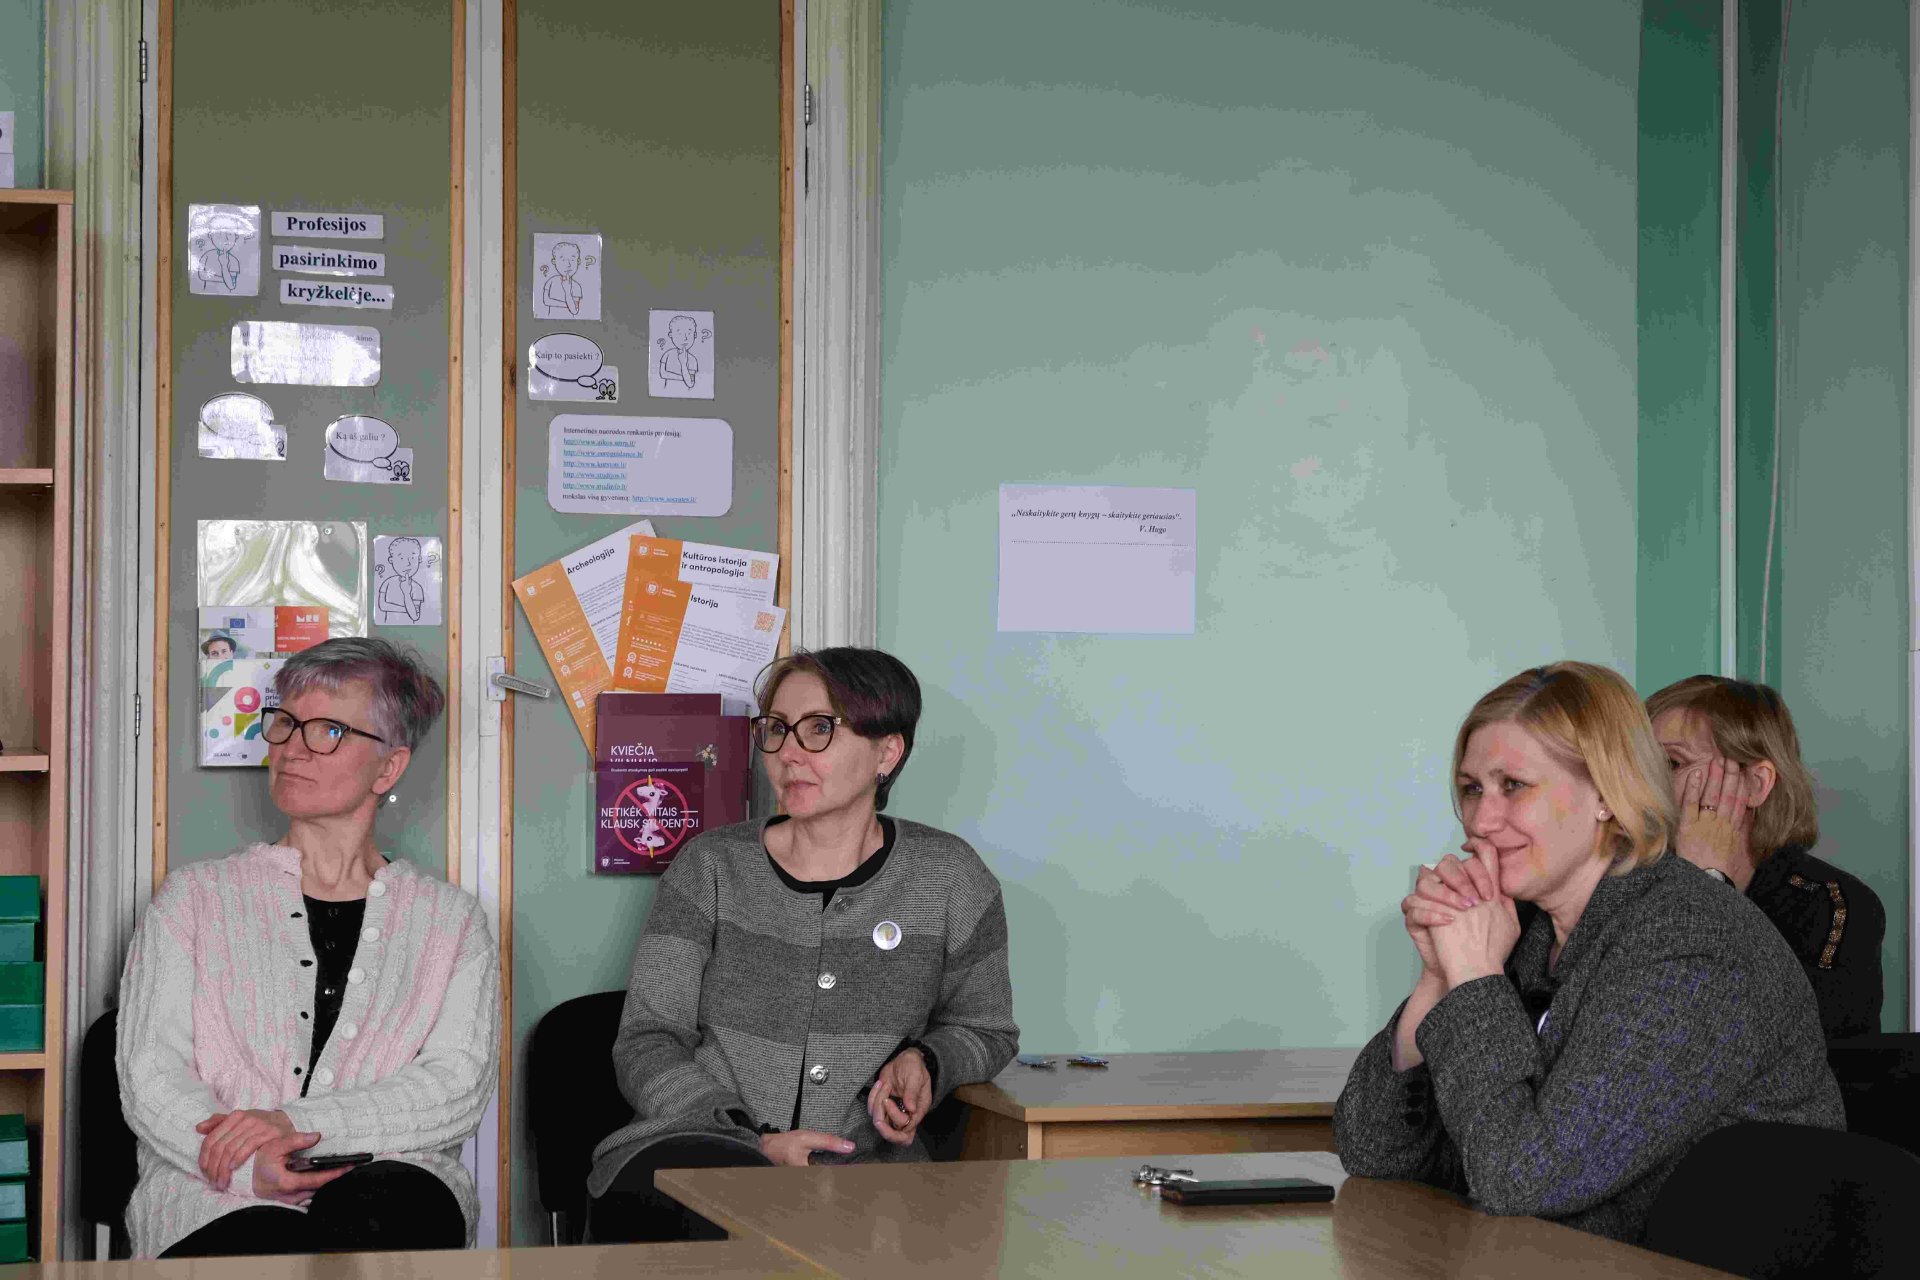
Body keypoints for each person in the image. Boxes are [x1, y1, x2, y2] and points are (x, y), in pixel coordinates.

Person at [1334, 662, 1842, 1244]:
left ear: (1606, 794)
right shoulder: (1528, 930)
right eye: (1472, 789)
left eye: (1513, 785)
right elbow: (1373, 1151)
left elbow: (1522, 1181)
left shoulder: (1689, 942)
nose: (1481, 821)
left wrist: (1474, 977)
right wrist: (1437, 978)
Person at [586, 647, 1019, 1243]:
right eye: (776, 729)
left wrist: (927, 1060)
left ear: (887, 753)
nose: (788, 753)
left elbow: (987, 1028)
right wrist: (747, 1142)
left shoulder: (950, 878)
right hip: (697, 1166)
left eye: (819, 729)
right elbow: (646, 1041)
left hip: (869, 1191)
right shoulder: (709, 868)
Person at [117, 638, 498, 1259]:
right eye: (286, 722)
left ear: (388, 769)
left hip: (392, 1184)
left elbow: (455, 1085)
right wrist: (249, 1167)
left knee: (385, 1218)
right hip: (216, 1193)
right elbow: (151, 1073)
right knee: (266, 1245)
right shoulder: (194, 899)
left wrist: (296, 1126)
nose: (292, 747)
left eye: (328, 730)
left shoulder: (451, 923)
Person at [1647, 675, 1886, 1039]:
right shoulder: (1625, 886)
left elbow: (1777, 1046)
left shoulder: (1834, 906)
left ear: (1756, 784)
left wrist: (1705, 882)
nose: (1643, 785)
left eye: (1671, 763)